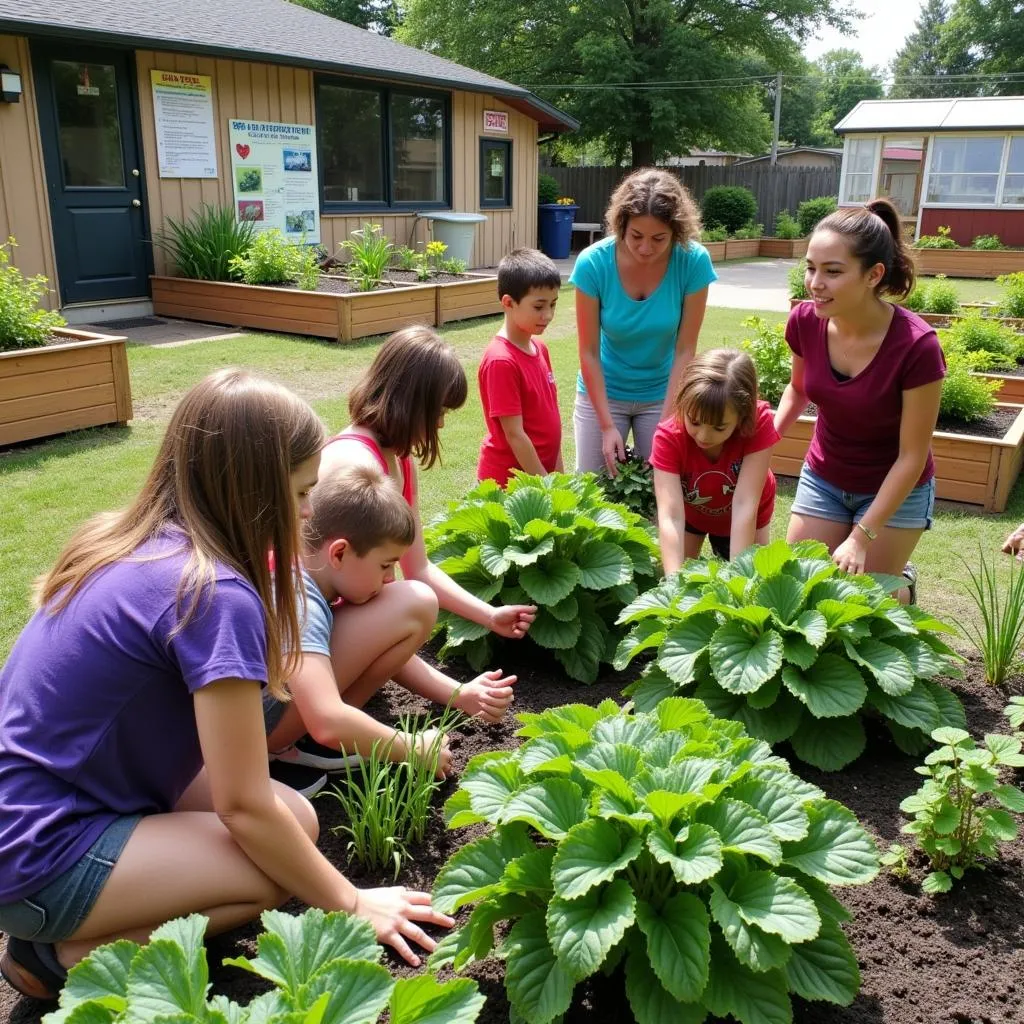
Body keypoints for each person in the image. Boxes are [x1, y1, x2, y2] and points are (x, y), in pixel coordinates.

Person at [0, 370, 452, 1001]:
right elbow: (241, 806)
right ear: (254, 493)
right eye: (299, 494)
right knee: (271, 870)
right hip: (41, 853)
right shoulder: (211, 594)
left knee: (295, 821)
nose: (306, 516)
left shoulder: (127, 541)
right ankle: (62, 958)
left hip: (47, 801)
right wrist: (351, 901)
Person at [316, 326, 535, 726]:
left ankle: (338, 714)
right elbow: (391, 607)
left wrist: (489, 615)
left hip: (322, 640)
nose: (440, 425)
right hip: (298, 648)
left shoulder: (397, 460)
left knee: (412, 599)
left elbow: (419, 571)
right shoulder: (356, 468)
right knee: (413, 602)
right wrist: (457, 693)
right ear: (411, 402)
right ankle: (327, 724)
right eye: (438, 412)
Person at [265, 463, 515, 777]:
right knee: (414, 601)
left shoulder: (313, 579)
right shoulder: (302, 603)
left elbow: (379, 652)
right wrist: (412, 748)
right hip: (266, 735)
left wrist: (459, 694)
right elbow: (326, 720)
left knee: (413, 604)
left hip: (277, 718)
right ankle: (303, 750)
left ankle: (322, 740)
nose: (387, 579)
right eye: (385, 565)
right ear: (339, 553)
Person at [774, 197, 946, 597]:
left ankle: (903, 584)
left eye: (833, 272)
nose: (815, 283)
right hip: (825, 477)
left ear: (874, 275)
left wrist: (861, 536)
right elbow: (799, 389)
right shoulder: (804, 321)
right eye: (811, 268)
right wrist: (764, 440)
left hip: (895, 487)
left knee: (870, 600)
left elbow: (912, 456)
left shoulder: (917, 346)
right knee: (804, 587)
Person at [570, 168, 718, 474]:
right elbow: (588, 352)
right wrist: (606, 425)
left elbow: (685, 350)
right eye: (636, 236)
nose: (646, 248)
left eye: (659, 238)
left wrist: (667, 421)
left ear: (676, 232)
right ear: (620, 224)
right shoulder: (593, 263)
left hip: (662, 394)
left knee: (658, 492)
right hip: (603, 393)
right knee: (593, 491)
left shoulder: (693, 261)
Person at [651, 349, 779, 572]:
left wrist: (739, 579)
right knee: (677, 571)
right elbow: (671, 516)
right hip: (692, 512)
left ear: (743, 416)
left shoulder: (760, 423)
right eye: (695, 422)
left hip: (746, 513)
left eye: (719, 427)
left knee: (754, 575)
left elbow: (744, 505)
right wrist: (673, 583)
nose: (703, 436)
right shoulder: (668, 437)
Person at [477, 248, 563, 485]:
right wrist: (545, 485)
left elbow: (551, 419)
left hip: (540, 479)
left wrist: (559, 478)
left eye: (553, 305)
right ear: (508, 302)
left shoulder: (540, 347)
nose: (548, 315)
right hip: (509, 483)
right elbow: (515, 434)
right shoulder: (501, 361)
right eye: (538, 306)